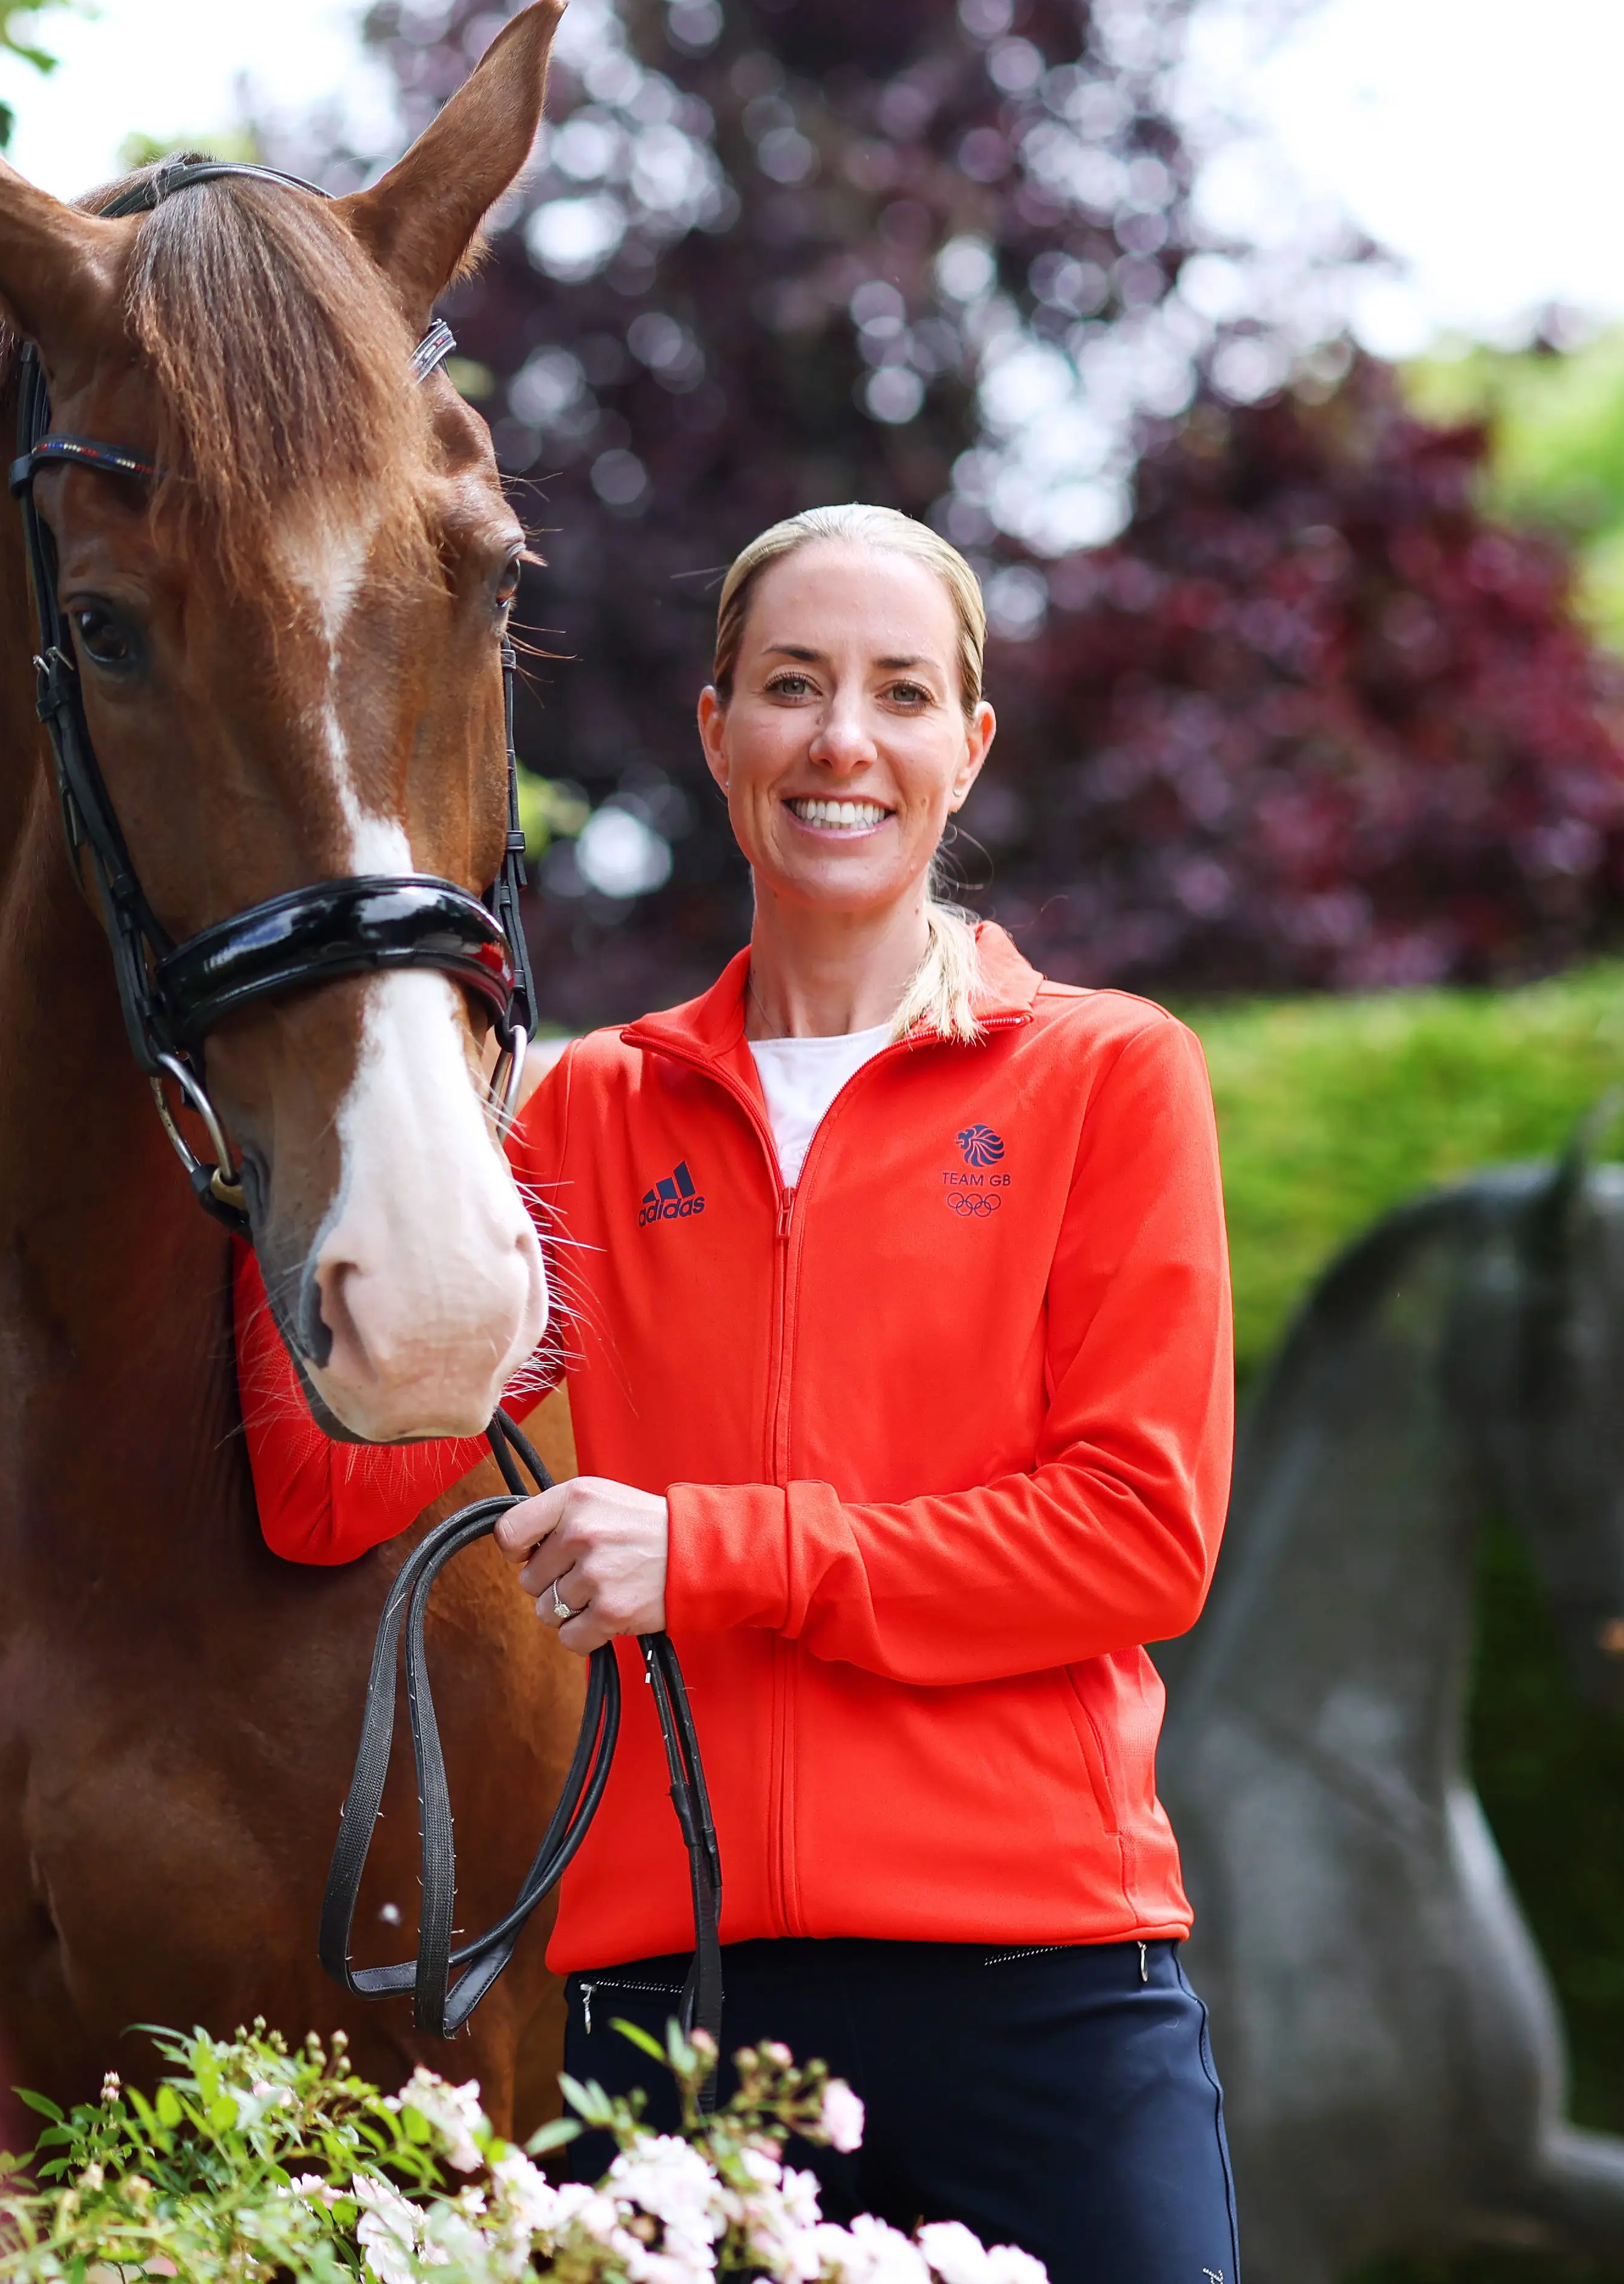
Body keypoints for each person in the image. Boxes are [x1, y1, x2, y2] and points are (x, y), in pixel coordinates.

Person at [233, 504, 1239, 2284]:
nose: (843, 739)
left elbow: (1139, 1540)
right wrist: (316, 1117)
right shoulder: (585, 1116)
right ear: (717, 732)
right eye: (791, 685)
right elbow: (335, 1487)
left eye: (899, 692)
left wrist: (713, 1553)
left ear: (965, 745)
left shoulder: (1109, 1077)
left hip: (1045, 2001)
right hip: (669, 2029)